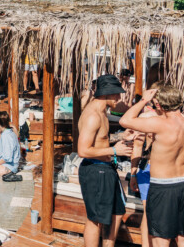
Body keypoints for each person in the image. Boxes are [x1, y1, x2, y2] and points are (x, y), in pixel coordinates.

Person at [120, 83, 184, 247]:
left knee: (161, 239)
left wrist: (143, 100)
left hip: (163, 186)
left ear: (158, 104)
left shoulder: (159, 124)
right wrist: (179, 155)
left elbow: (125, 120)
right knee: (183, 238)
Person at [76, 75, 133, 247]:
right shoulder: (92, 115)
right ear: (106, 94)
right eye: (116, 94)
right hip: (95, 169)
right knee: (96, 219)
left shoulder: (101, 112)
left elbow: (100, 139)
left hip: (105, 168)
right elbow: (83, 150)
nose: (119, 98)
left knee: (116, 212)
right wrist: (115, 150)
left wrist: (120, 136)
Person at [0, 112, 21, 179]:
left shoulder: (6, 136)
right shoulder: (10, 132)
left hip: (9, 167)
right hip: (9, 165)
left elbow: (7, 157)